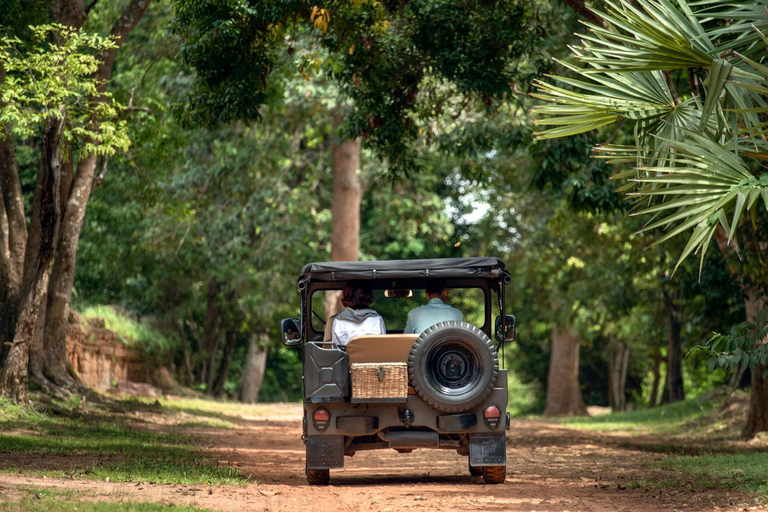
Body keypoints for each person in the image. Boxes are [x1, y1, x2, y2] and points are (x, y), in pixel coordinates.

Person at [328, 281, 386, 349]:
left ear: (346, 297)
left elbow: (336, 351)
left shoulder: (338, 321)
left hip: (347, 359)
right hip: (372, 359)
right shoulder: (377, 320)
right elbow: (382, 349)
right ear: (368, 296)